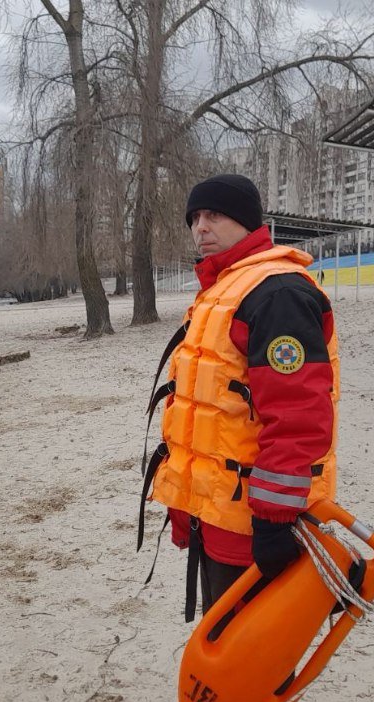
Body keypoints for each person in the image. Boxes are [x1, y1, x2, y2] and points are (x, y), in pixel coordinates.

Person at [141, 173, 340, 629]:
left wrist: (274, 517)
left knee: (253, 655)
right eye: (194, 218)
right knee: (232, 644)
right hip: (217, 511)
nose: (200, 229)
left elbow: (299, 416)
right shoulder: (222, 289)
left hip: (254, 520)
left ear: (247, 222)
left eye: (214, 215)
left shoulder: (277, 293)